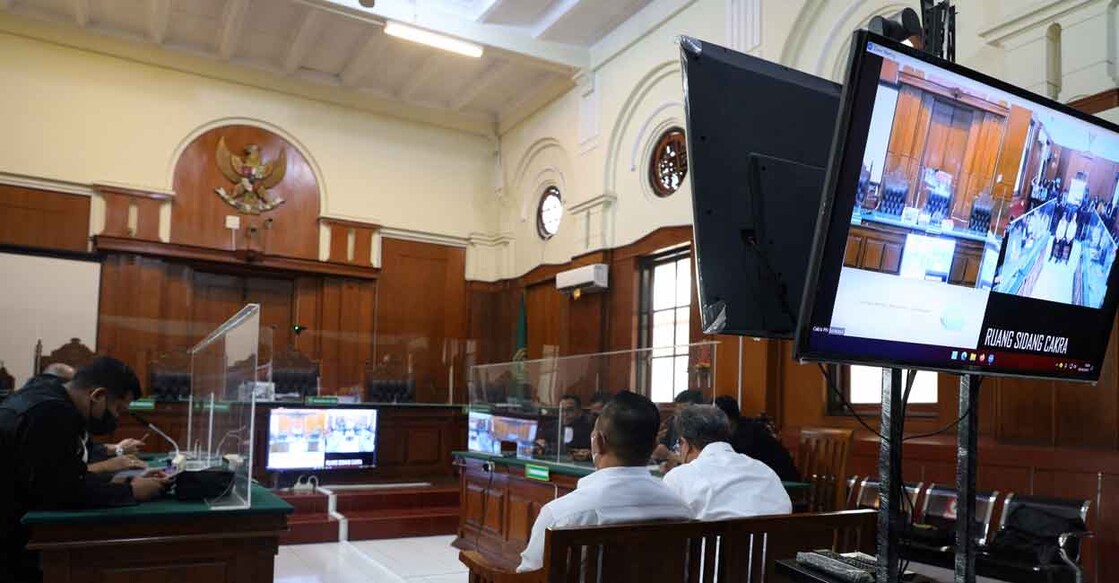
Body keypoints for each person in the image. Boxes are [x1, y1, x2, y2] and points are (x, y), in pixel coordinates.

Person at [0, 356, 170, 582]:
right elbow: (60, 491)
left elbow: (66, 471)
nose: (117, 418)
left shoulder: (53, 397)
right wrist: (131, 492)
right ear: (97, 395)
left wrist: (121, 480)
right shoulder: (50, 413)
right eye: (118, 409)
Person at [517, 391, 691, 573]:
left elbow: (531, 575)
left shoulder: (561, 516)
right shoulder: (681, 510)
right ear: (655, 447)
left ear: (598, 442)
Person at [663, 405, 791, 520]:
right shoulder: (764, 471)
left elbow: (669, 529)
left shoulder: (679, 477)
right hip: (774, 545)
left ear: (685, 444)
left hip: (713, 546)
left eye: (679, 445)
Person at [713, 396, 801, 482]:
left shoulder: (749, 433)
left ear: (727, 417)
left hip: (782, 481)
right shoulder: (735, 431)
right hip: (764, 479)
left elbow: (737, 465)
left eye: (716, 416)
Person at [652, 389, 706, 465]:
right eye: (677, 409)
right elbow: (666, 447)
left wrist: (669, 456)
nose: (678, 413)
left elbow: (699, 463)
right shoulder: (675, 423)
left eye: (683, 410)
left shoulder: (704, 432)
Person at [534, 394, 592, 458]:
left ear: (579, 412)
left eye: (569, 410)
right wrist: (539, 443)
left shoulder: (586, 430)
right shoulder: (552, 425)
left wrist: (548, 446)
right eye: (562, 410)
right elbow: (539, 440)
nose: (564, 414)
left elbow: (571, 450)